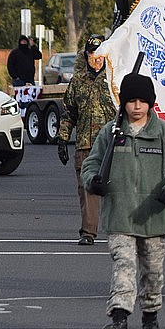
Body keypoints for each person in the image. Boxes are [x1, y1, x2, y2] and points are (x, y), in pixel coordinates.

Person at [82, 72, 165, 329]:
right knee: (123, 267)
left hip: (154, 217)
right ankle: (118, 320)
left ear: (151, 103)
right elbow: (91, 164)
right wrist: (93, 181)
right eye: (131, 101)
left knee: (153, 273)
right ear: (123, 103)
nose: (136, 106)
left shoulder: (164, 133)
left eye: (142, 101)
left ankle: (150, 317)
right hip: (120, 215)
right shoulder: (111, 133)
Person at [55, 34, 116, 245]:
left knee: (118, 188)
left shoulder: (115, 80)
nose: (96, 58)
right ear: (86, 55)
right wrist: (62, 139)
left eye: (100, 54)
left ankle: (123, 231)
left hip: (112, 144)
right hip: (85, 144)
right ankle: (88, 232)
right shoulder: (77, 82)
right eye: (92, 54)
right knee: (87, 188)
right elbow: (69, 113)